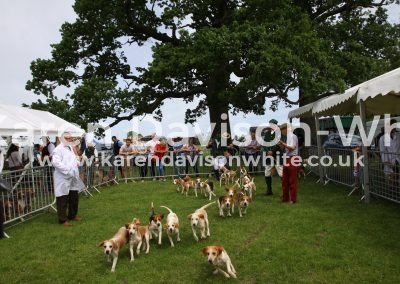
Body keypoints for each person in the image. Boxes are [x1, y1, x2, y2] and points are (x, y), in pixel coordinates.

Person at [51, 132, 85, 226]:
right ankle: (62, 219)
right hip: (63, 176)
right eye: (67, 138)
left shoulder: (70, 147)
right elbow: (56, 163)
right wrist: (68, 169)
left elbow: (73, 158)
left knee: (74, 196)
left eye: (70, 138)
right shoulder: (58, 149)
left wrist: (77, 162)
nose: (69, 140)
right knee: (62, 198)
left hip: (73, 176)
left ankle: (72, 215)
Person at [278, 123, 299, 204]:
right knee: (285, 179)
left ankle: (293, 199)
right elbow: (285, 149)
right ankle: (285, 198)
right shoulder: (287, 137)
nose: (282, 132)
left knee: (292, 180)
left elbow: (292, 148)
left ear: (285, 129)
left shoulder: (293, 136)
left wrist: (283, 144)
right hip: (287, 158)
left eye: (282, 130)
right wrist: (281, 145)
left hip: (293, 158)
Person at [261, 119, 283, 196]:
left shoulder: (279, 133)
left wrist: (272, 151)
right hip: (268, 157)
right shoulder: (267, 133)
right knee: (267, 173)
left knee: (281, 173)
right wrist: (267, 151)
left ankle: (284, 190)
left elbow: (279, 144)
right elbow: (264, 144)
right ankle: (269, 190)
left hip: (277, 155)